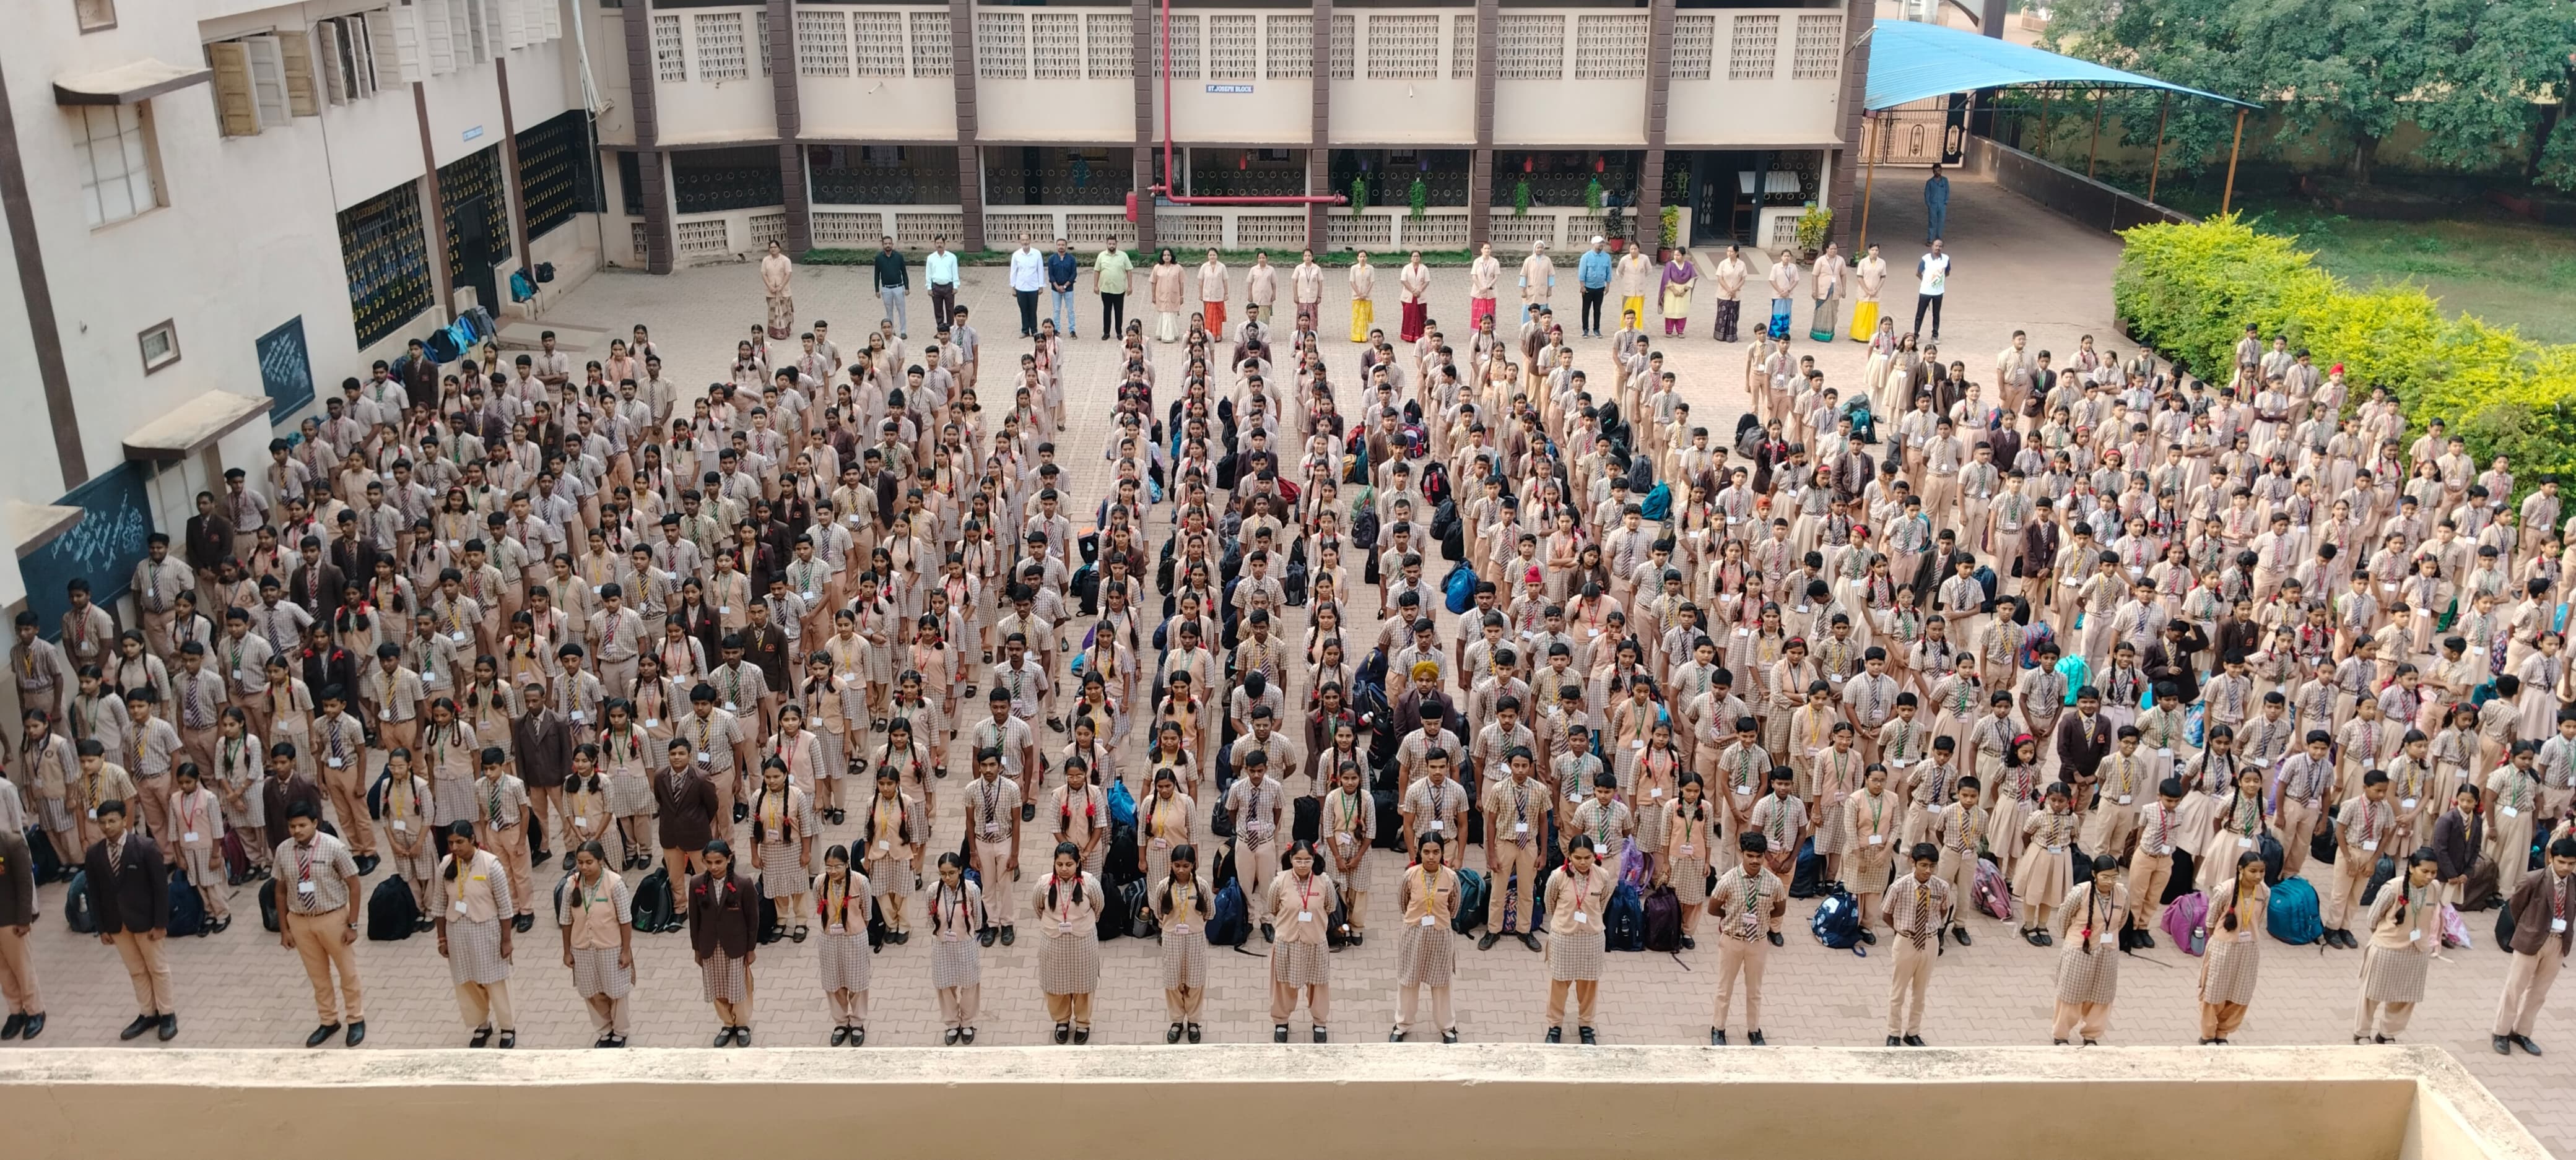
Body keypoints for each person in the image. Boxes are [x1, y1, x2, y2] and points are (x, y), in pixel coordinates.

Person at [273, 800, 365, 1047]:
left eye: (302, 825)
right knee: (318, 976)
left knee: (347, 972)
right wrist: (285, 929)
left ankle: (356, 1018)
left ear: (315, 823)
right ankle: (328, 1020)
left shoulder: (334, 848)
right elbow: (280, 891)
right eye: (292, 826)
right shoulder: (283, 850)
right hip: (300, 921)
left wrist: (352, 925)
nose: (297, 831)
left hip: (333, 918)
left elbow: (354, 886)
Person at [85, 799, 176, 1041]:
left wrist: (160, 923)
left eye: (112, 821)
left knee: (158, 968)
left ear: (124, 820)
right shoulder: (94, 854)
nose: (107, 827)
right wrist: (102, 928)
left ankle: (167, 1013)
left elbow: (161, 889)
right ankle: (148, 1013)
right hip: (117, 924)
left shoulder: (145, 847)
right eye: (102, 822)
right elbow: (95, 893)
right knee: (136, 970)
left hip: (146, 922)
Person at [434, 819, 516, 1048]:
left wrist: (507, 940)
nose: (455, 847)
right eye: (451, 843)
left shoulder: (491, 865)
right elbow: (439, 906)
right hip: (457, 933)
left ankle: (507, 1027)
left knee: (496, 982)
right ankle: (482, 1025)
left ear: (473, 839)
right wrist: (442, 938)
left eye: (460, 842)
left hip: (487, 932)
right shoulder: (445, 866)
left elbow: (506, 907)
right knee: (467, 982)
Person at [2492, 836, 2576, 1056]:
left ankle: (2522, 1032)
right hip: (2530, 941)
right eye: (2561, 862)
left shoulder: (2574, 883)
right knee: (2515, 989)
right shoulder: (2533, 879)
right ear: (2551, 858)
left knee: (2539, 992)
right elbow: (2515, 908)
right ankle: (2501, 1032)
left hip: (2558, 943)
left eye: (2571, 863)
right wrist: (2528, 929)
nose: (2566, 868)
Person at [1706, 831, 1785, 1044]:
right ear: (1742, 853)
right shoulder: (1728, 880)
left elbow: (1779, 909)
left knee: (1755, 991)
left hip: (1758, 942)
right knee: (1724, 989)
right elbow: (1713, 908)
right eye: (1750, 856)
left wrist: (1762, 919)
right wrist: (1731, 916)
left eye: (1759, 856)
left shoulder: (1773, 883)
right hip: (1732, 940)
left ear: (1764, 856)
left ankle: (1754, 1030)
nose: (1755, 861)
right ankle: (1718, 1029)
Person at [2355, 849, 2440, 1044]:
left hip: (2417, 951)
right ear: (2411, 868)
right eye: (2425, 871)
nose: (2430, 877)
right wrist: (2389, 937)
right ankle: (2362, 1032)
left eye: (2434, 872)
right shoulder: (2392, 888)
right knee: (2371, 994)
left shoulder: (2435, 888)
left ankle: (2387, 1034)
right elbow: (2372, 919)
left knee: (2405, 998)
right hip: (2387, 949)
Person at [557, 839, 635, 1048]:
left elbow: (626, 921)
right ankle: (605, 1030)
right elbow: (566, 921)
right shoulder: (571, 884)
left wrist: (626, 951)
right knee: (591, 992)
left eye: (589, 862)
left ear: (600, 861)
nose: (584, 867)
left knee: (616, 992)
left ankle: (620, 1032)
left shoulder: (615, 883)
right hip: (582, 949)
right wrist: (567, 952)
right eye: (580, 862)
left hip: (611, 948)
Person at [2050, 854, 2127, 1045]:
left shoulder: (2122, 894)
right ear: (2094, 874)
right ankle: (2061, 1034)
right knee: (2071, 994)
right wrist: (2072, 938)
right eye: (2105, 877)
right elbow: (2064, 917)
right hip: (2080, 949)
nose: (2110, 882)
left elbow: (2122, 920)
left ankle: (2091, 1035)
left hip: (2108, 951)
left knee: (2102, 996)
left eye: (2114, 877)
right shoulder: (2080, 892)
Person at [690, 838, 760, 1046]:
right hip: (710, 946)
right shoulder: (696, 884)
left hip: (736, 946)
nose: (714, 867)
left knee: (739, 987)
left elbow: (753, 919)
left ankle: (742, 1024)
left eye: (719, 862)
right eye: (709, 862)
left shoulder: (743, 884)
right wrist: (697, 949)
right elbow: (695, 920)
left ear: (729, 859)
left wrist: (751, 949)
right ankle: (728, 1023)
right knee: (717, 987)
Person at [1542, 838, 1612, 1044]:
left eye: (1587, 858)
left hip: (1591, 938)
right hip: (1564, 938)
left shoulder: (1603, 876)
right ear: (1569, 856)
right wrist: (1565, 920)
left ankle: (1586, 1026)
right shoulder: (1558, 876)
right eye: (1578, 858)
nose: (1583, 862)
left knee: (1589, 986)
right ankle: (1555, 1026)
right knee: (1559, 985)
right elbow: (1550, 904)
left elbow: (1602, 904)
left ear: (1594, 856)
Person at [1032, 840, 1103, 1043]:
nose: (1064, 869)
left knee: (1083, 986)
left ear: (1078, 863)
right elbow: (1038, 908)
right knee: (1056, 986)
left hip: (1083, 944)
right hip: (1053, 944)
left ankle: (1083, 1023)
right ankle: (1062, 1021)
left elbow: (1099, 907)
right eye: (1060, 864)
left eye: (1069, 864)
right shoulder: (1044, 884)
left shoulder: (1090, 883)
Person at [1393, 832, 1461, 1042]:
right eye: (1427, 852)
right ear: (1419, 853)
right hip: (1414, 934)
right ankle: (1402, 1024)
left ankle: (1447, 1027)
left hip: (1440, 935)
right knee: (1408, 981)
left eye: (1436, 852)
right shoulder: (1410, 876)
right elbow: (1404, 904)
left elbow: (1454, 908)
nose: (1431, 857)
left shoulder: (1451, 877)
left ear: (1442, 853)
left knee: (1442, 984)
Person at [1882, 842, 1951, 1045]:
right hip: (1906, 941)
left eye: (1932, 866)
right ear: (1913, 863)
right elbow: (1886, 914)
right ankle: (1893, 1033)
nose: (1928, 871)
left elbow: (1943, 910)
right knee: (1898, 991)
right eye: (1924, 865)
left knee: (1920, 992)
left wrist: (1929, 929)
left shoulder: (1942, 887)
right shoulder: (1899, 886)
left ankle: (1912, 1032)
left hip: (1929, 942)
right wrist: (1902, 931)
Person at [2197, 851, 2269, 1043]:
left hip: (2249, 950)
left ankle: (2223, 1034)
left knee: (2240, 994)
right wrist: (2222, 940)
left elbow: (2259, 920)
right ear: (2241, 869)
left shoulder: (2265, 892)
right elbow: (2211, 922)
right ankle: (2208, 1036)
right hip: (2223, 949)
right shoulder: (2225, 890)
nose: (2258, 876)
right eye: (2253, 871)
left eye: (2262, 871)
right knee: (2214, 993)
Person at [1268, 839, 1336, 1042]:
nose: (1303, 865)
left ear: (1314, 859)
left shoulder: (1324, 881)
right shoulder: (1279, 881)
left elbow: (1330, 907)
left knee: (1319, 986)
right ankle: (1281, 1021)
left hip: (1315, 942)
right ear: (1291, 859)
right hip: (1287, 943)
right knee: (1282, 986)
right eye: (1298, 860)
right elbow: (1273, 908)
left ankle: (1320, 1023)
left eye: (1307, 860)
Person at [813, 843, 872, 1045]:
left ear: (847, 864)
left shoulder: (860, 882)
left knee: (857, 984)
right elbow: (819, 906)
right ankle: (840, 1023)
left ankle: (857, 1023)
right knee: (834, 984)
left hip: (854, 939)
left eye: (838, 866)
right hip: (829, 940)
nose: (833, 871)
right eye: (829, 867)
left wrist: (854, 927)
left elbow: (867, 914)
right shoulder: (820, 883)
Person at [1154, 842, 1212, 1043]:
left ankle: (1194, 1021)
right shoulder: (1164, 886)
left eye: (1186, 866)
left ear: (1193, 865)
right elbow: (1158, 913)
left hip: (1195, 939)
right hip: (1172, 940)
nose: (1181, 870)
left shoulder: (1201, 886)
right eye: (1177, 865)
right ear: (1171, 864)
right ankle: (1177, 1020)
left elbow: (1209, 912)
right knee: (1173, 982)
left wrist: (1194, 925)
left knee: (1195, 982)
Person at [928, 852, 986, 1044]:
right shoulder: (933, 890)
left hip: (965, 944)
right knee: (945, 986)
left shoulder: (971, 890)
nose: (947, 878)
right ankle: (952, 1024)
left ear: (960, 870)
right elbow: (930, 919)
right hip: (942, 946)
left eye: (952, 873)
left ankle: (967, 1022)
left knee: (970, 985)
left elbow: (978, 919)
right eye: (943, 874)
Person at [870, 236, 909, 339]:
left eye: (889, 243)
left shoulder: (899, 257)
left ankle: (903, 331)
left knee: (901, 310)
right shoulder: (879, 258)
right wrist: (877, 289)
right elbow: (877, 274)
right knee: (889, 311)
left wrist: (907, 287)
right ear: (883, 245)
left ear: (892, 244)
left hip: (898, 287)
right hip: (886, 288)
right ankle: (891, 331)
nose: (888, 245)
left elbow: (904, 272)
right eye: (886, 244)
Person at [1911, 240, 1950, 342]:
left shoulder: (1946, 259)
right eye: (1936, 246)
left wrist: (1939, 282)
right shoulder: (1926, 259)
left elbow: (1947, 273)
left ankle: (1935, 335)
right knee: (1920, 314)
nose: (1938, 248)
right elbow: (1918, 273)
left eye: (1940, 246)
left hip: (1939, 292)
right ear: (1932, 246)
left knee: (1936, 314)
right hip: (1925, 291)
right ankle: (1916, 334)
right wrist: (1927, 282)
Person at [1092, 238, 1132, 339]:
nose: (1112, 246)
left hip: (1119, 289)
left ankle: (1119, 332)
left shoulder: (1123, 256)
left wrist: (1130, 286)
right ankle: (1106, 333)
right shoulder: (1102, 256)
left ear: (1116, 244)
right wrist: (1095, 286)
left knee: (1119, 312)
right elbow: (1097, 271)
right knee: (1107, 312)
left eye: (1113, 244)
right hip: (1106, 289)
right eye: (1110, 244)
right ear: (1107, 244)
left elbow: (1129, 270)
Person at [1848, 243, 1886, 342]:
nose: (1874, 252)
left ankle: (1870, 336)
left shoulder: (1882, 263)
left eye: (1876, 250)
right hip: (1863, 292)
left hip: (1875, 292)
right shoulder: (1863, 262)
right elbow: (1859, 277)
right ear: (1869, 251)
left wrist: (1876, 289)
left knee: (1872, 316)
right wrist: (1867, 290)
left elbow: (1883, 277)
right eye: (1872, 250)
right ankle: (1858, 335)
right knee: (1861, 314)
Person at [1008, 235, 1045, 337]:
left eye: (1027, 240)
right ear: (1020, 242)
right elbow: (1013, 271)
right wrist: (1013, 287)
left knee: (1033, 310)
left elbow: (1040, 270)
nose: (1025, 242)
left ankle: (1034, 330)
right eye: (1023, 240)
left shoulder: (1037, 254)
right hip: (1021, 287)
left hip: (1033, 287)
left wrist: (1041, 285)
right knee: (1023, 310)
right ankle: (1025, 330)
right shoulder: (1016, 255)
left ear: (1030, 241)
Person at [1577, 236, 1612, 338]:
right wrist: (1582, 286)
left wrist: (1608, 286)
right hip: (1588, 287)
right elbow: (1582, 273)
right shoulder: (1586, 257)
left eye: (1602, 243)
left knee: (1598, 310)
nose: (1601, 245)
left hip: (1600, 288)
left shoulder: (1607, 257)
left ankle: (1597, 329)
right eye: (1599, 243)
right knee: (1586, 309)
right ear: (1594, 244)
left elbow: (1609, 272)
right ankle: (1585, 329)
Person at [1045, 238, 1081, 338]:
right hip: (1055, 289)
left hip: (1068, 289)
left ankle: (1072, 330)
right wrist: (1057, 287)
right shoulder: (1052, 259)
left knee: (1070, 310)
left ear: (1066, 246)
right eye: (1059, 245)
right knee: (1057, 310)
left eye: (1063, 245)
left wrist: (1065, 286)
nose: (1061, 247)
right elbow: (1051, 275)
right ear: (1056, 246)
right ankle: (1056, 330)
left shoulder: (1071, 259)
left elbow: (1074, 274)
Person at [1149, 248, 1186, 343]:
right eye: (1165, 255)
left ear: (1172, 256)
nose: (1166, 257)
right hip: (1161, 296)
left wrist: (1182, 296)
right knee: (1165, 314)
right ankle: (1165, 335)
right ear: (1162, 257)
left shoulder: (1178, 268)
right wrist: (1153, 296)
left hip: (1174, 296)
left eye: (1168, 255)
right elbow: (1153, 282)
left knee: (1171, 314)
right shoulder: (1157, 268)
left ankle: (1172, 334)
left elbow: (1181, 283)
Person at [926, 235, 960, 332]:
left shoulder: (952, 257)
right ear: (935, 244)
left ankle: (951, 330)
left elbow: (955, 272)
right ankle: (941, 331)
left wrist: (955, 286)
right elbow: (928, 273)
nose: (939, 245)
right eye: (937, 243)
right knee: (938, 310)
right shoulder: (931, 258)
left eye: (941, 243)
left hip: (948, 287)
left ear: (944, 244)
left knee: (950, 309)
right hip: (936, 287)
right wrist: (929, 287)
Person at [762, 240, 796, 340]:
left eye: (775, 247)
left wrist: (781, 286)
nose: (773, 249)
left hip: (784, 291)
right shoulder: (766, 260)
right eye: (771, 248)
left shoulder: (785, 260)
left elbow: (788, 273)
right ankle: (774, 332)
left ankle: (786, 330)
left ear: (779, 248)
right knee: (774, 312)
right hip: (771, 291)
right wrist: (770, 287)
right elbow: (764, 274)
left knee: (785, 311)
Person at [1347, 249, 1377, 343]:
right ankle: (1355, 336)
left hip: (1367, 297)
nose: (1362, 259)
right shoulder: (1354, 268)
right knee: (1357, 317)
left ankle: (1364, 336)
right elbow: (1352, 282)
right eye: (1361, 257)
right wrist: (1359, 294)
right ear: (1358, 258)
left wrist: (1365, 294)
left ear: (1366, 258)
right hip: (1356, 297)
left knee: (1364, 317)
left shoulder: (1370, 268)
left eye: (1364, 257)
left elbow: (1372, 282)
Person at [1923, 164, 1950, 241]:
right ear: (1933, 172)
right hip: (1933, 205)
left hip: (1942, 205)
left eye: (1938, 171)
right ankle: (1930, 239)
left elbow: (1947, 191)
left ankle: (1938, 238)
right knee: (1932, 222)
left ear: (1941, 171)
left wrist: (1946, 201)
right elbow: (1927, 194)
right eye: (1935, 171)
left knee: (1941, 222)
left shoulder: (1945, 181)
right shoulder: (1930, 182)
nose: (1937, 173)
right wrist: (1929, 204)